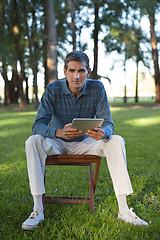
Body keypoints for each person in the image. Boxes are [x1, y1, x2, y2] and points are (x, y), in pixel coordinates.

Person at [22, 51, 149, 230]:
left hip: (88, 143)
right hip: (59, 143)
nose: (77, 76)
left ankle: (124, 210)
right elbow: (38, 126)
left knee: (117, 140)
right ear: (65, 71)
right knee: (32, 141)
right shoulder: (53, 89)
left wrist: (103, 133)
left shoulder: (97, 88)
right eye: (72, 70)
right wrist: (58, 132)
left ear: (88, 71)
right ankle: (37, 210)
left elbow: (109, 124)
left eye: (81, 71)